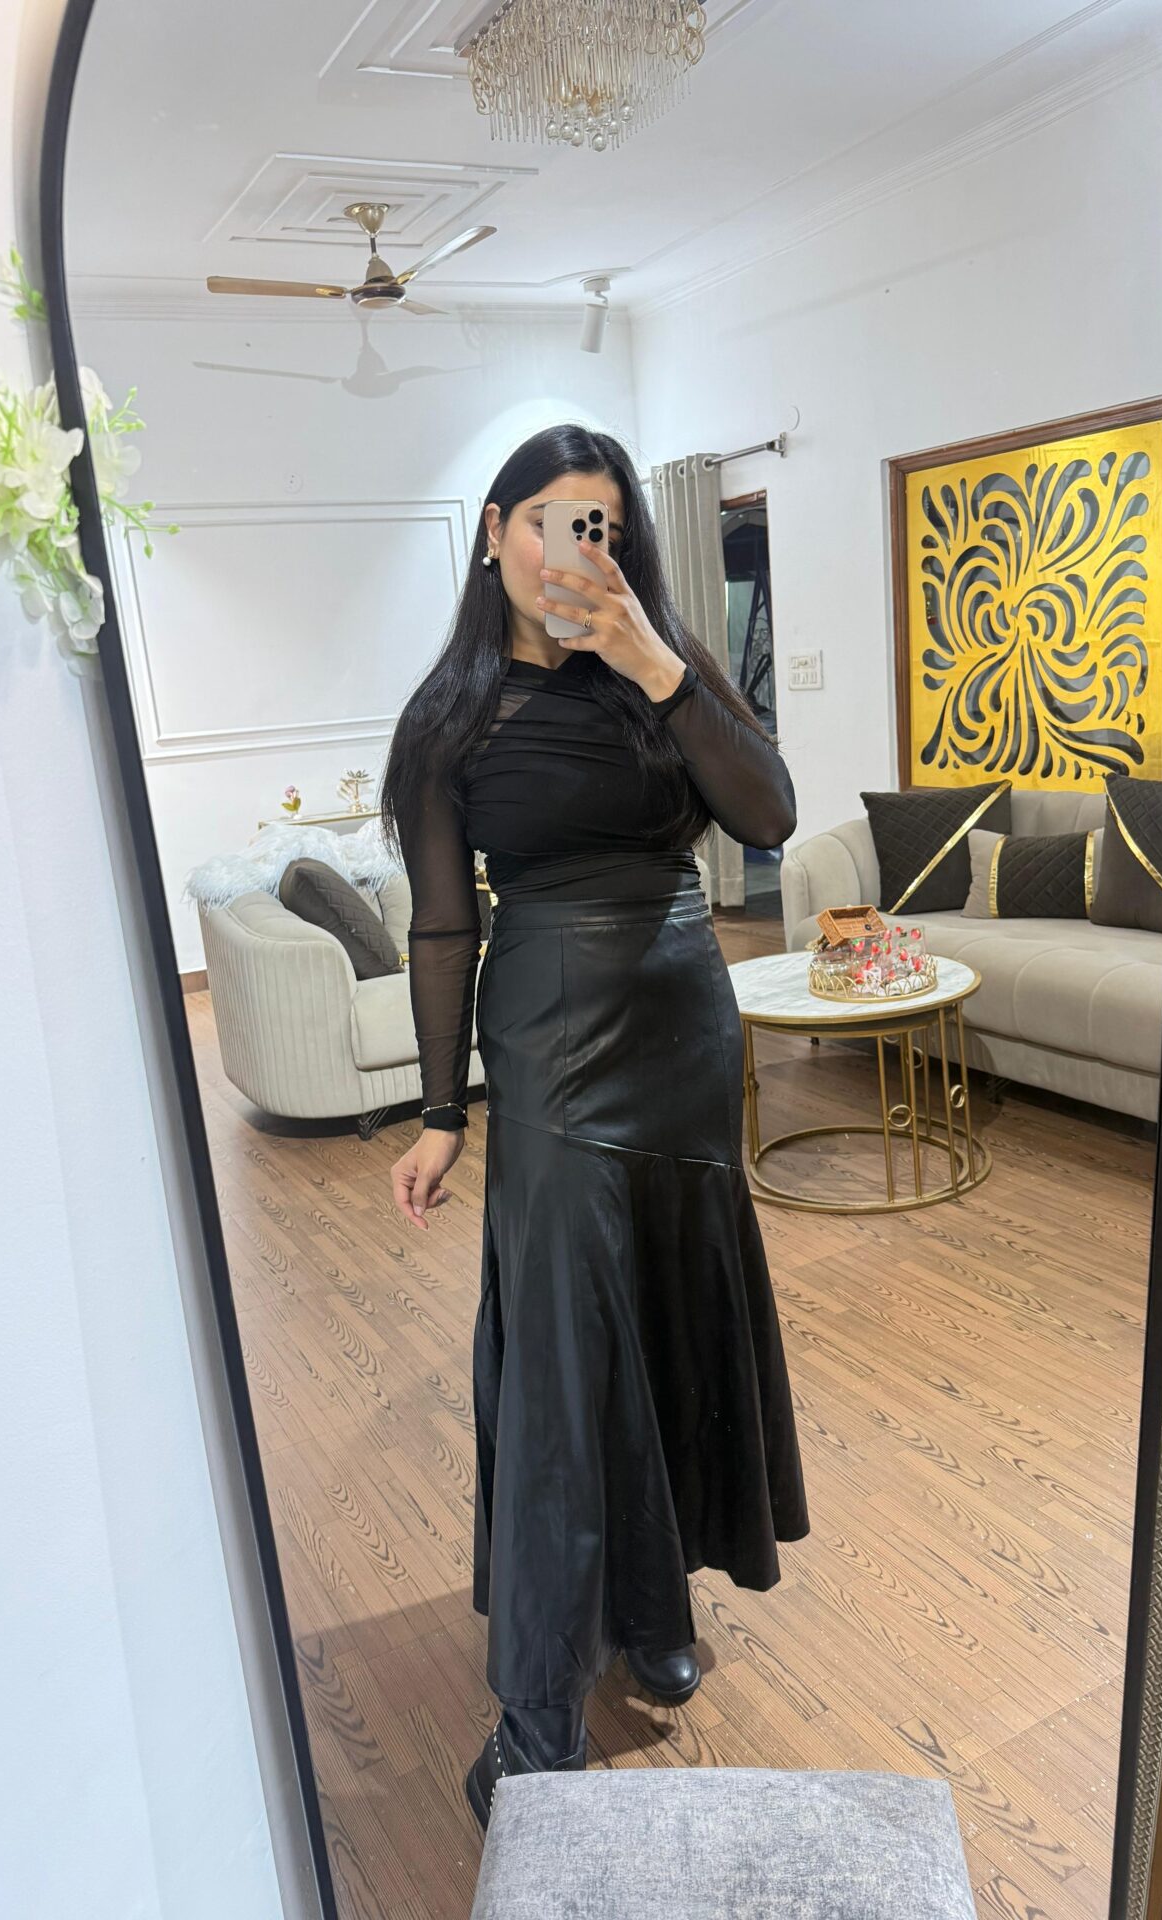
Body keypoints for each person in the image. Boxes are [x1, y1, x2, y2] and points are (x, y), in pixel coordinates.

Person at [380, 424, 810, 1831]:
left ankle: (654, 1601)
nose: (579, 551)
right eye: (555, 522)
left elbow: (769, 815)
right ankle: (537, 1714)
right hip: (551, 1037)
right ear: (494, 530)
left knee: (673, 1316)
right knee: (566, 1358)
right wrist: (442, 1112)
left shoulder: (662, 672)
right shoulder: (450, 718)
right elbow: (443, 926)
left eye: (605, 528)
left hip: (685, 1029)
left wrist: (656, 666)